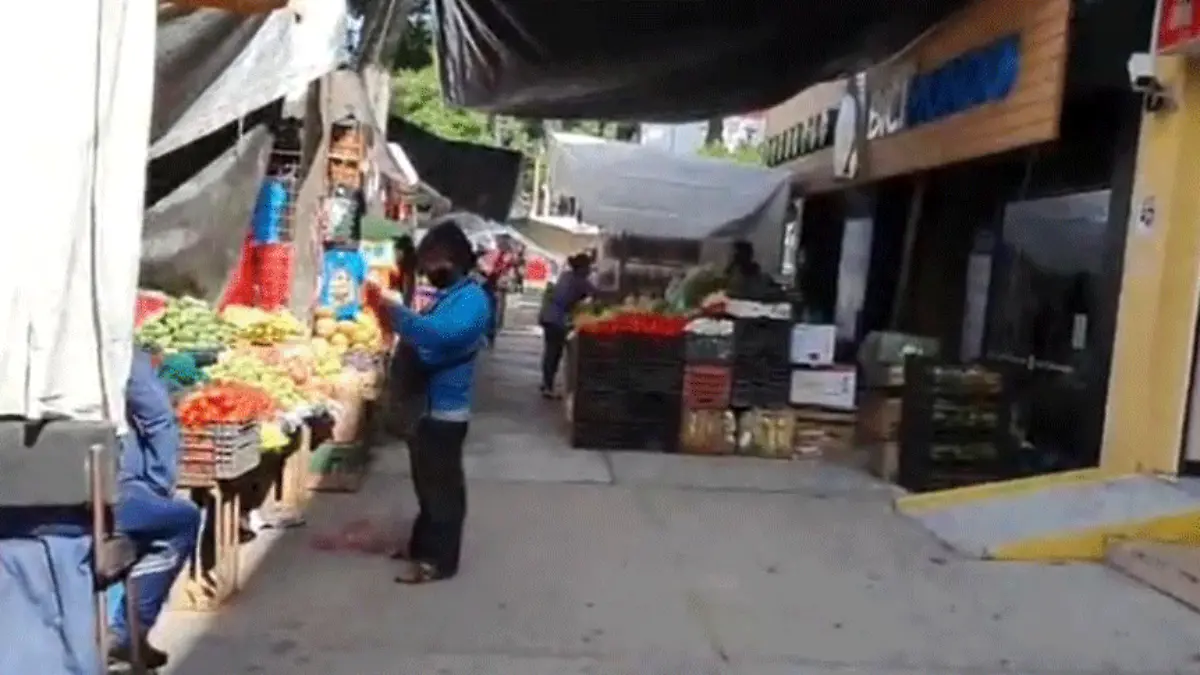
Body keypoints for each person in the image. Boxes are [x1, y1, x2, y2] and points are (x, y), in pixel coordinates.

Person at [369, 220, 491, 584]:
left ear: (453, 260)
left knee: (443, 491)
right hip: (426, 410)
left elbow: (439, 336)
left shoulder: (472, 300)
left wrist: (393, 313)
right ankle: (421, 547)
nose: (428, 271)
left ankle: (438, 562)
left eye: (433, 262)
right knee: (426, 485)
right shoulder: (452, 296)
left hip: (444, 413)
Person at [108, 349, 202, 669]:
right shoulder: (115, 347)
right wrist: (159, 485)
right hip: (107, 493)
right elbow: (158, 417)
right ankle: (126, 634)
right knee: (182, 520)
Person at [538, 253, 596, 399]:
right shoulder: (579, 281)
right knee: (554, 353)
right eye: (588, 267)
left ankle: (546, 382)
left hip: (548, 316)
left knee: (550, 351)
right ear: (582, 268)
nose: (590, 270)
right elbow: (596, 293)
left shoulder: (566, 275)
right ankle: (548, 386)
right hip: (558, 320)